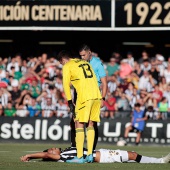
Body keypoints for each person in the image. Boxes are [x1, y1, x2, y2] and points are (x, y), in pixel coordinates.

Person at [57, 50, 102, 163]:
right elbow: (95, 79)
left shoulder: (68, 65)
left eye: (61, 63)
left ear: (63, 60)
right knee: (91, 124)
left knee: (78, 124)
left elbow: (66, 85)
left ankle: (80, 157)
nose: (62, 65)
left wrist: (69, 101)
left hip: (84, 97)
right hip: (96, 95)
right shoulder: (86, 62)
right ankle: (90, 155)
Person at [68, 44, 107, 150]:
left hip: (93, 94)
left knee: (91, 122)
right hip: (79, 94)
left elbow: (104, 82)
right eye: (80, 56)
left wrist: (102, 98)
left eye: (84, 55)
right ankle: (74, 147)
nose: (82, 58)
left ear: (90, 52)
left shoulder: (98, 64)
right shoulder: (80, 63)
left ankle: (92, 149)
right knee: (74, 121)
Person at [20, 146, 170, 164]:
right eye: (51, 149)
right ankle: (161, 161)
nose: (54, 148)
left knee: (131, 158)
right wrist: (29, 155)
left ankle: (158, 161)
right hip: (103, 157)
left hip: (101, 152)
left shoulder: (65, 151)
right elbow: (45, 155)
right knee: (133, 155)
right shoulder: (62, 157)